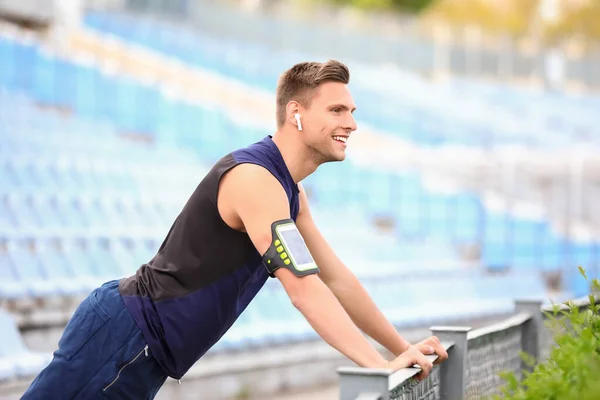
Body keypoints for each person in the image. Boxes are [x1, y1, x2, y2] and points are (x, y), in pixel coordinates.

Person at [22, 60, 448, 399]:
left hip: (140, 349)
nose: (352, 123)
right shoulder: (256, 180)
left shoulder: (289, 191)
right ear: (295, 114)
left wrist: (399, 349)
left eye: (352, 111)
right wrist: (376, 368)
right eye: (337, 110)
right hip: (123, 338)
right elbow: (303, 288)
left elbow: (336, 278)